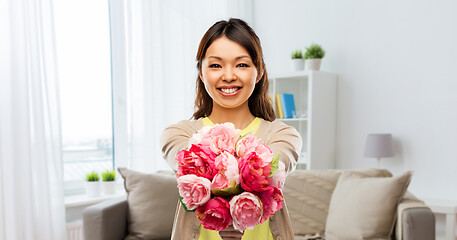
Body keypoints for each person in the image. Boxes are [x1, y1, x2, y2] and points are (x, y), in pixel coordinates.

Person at [160, 18, 302, 240]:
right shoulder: (178, 134)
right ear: (201, 71)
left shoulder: (283, 135)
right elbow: (187, 165)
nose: (228, 76)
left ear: (260, 71)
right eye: (216, 65)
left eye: (241, 64)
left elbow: (272, 168)